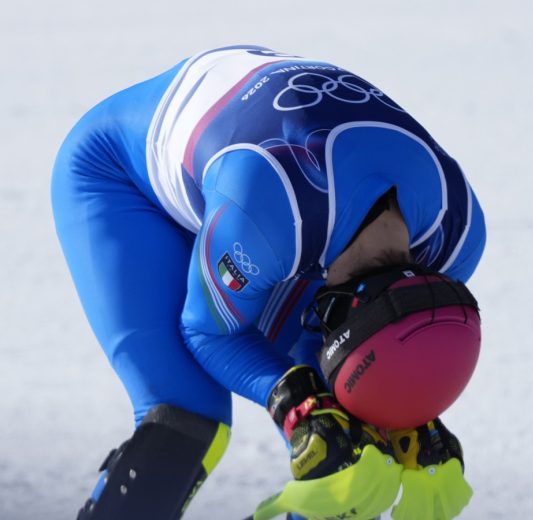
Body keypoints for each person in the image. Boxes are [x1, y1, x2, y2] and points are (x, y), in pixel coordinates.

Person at [51, 45, 486, 520]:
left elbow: (392, 344)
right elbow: (208, 332)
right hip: (124, 177)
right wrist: (293, 401)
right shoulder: (273, 217)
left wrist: (407, 411)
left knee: (348, 449)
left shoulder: (459, 238)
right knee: (188, 414)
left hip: (269, 190)